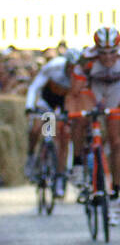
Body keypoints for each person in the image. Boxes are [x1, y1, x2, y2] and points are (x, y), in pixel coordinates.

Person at [67, 27, 120, 224]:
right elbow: (75, 92)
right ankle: (77, 163)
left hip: (116, 92)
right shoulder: (86, 59)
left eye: (112, 52)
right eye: (103, 53)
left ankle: (115, 192)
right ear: (96, 50)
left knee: (117, 141)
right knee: (81, 118)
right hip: (93, 90)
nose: (108, 57)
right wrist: (76, 113)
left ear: (119, 49)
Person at [24, 47, 78, 197]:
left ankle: (60, 176)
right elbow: (35, 86)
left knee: (64, 137)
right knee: (36, 129)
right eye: (70, 67)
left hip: (64, 104)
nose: (72, 70)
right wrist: (29, 106)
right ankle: (31, 156)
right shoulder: (54, 66)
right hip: (47, 101)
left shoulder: (80, 75)